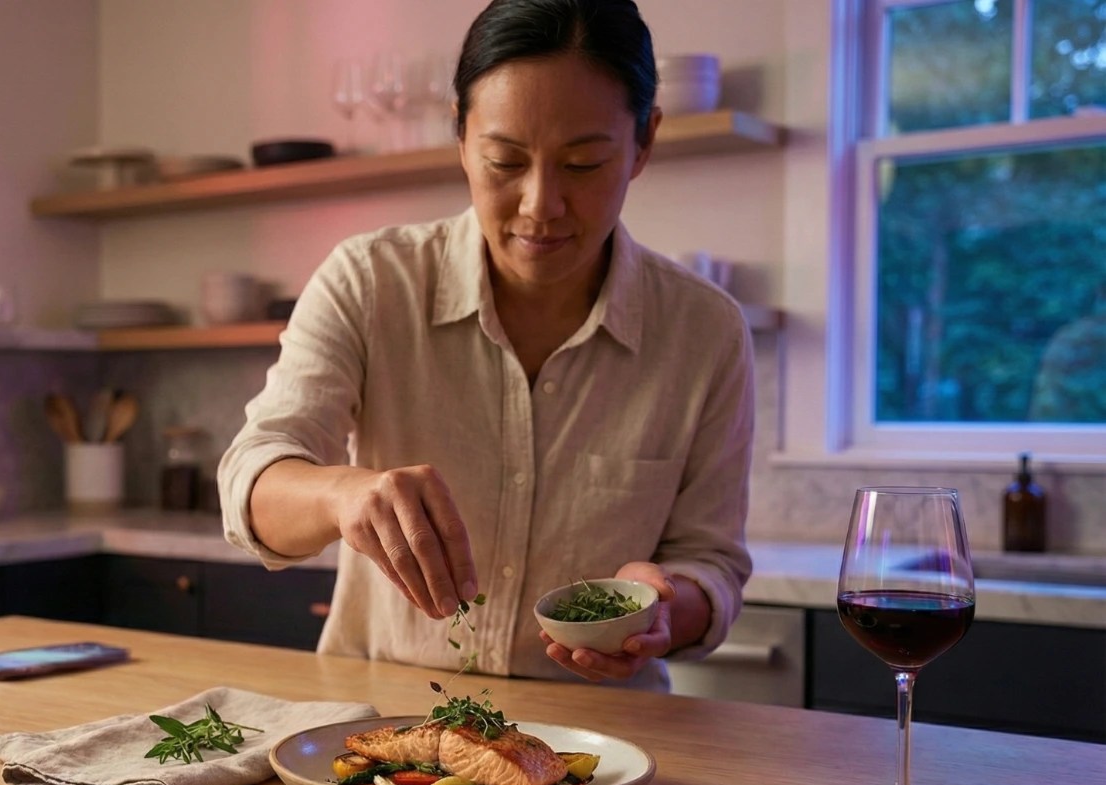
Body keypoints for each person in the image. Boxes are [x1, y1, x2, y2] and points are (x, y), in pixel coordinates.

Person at [217, 0, 753, 691]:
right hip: (381, 731)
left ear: (644, 142)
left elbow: (710, 559)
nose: (540, 204)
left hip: (599, 747)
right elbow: (250, 480)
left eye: (583, 164)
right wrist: (344, 495)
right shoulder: (372, 281)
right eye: (505, 160)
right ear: (461, 138)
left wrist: (665, 608)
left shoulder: (703, 331)